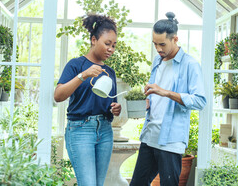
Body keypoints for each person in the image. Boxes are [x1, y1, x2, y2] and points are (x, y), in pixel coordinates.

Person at [130, 12, 206, 186]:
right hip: (150, 136)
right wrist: (148, 100)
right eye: (155, 44)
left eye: (162, 44)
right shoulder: (157, 61)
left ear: (175, 39)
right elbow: (155, 92)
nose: (158, 49)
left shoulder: (190, 65)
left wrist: (166, 92)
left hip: (171, 141)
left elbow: (200, 100)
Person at [54, 14, 121, 186]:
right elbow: (58, 95)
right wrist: (83, 75)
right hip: (80, 130)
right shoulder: (76, 65)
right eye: (107, 44)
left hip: (105, 130)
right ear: (93, 39)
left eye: (113, 45)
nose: (111, 49)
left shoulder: (110, 73)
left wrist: (114, 109)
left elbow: (108, 102)